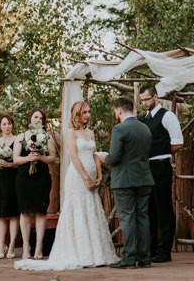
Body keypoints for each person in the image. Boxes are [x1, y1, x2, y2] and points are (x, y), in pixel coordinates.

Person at [15, 101, 118, 270]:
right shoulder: (71, 132)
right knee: (77, 210)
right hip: (77, 177)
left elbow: (94, 155)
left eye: (89, 112)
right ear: (77, 114)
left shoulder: (90, 132)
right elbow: (74, 157)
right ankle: (78, 253)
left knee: (91, 210)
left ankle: (96, 253)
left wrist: (98, 175)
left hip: (92, 174)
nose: (88, 115)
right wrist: (85, 177)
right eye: (85, 112)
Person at [98, 96, 154, 269]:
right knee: (142, 217)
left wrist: (103, 157)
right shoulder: (145, 128)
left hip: (124, 180)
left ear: (119, 110)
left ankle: (129, 257)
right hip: (144, 178)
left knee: (127, 218)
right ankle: (144, 257)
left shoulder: (119, 129)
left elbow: (114, 157)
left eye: (116, 112)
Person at [139, 84, 183, 263]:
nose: (145, 103)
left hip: (161, 165)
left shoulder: (168, 116)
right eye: (142, 101)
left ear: (156, 97)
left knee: (163, 207)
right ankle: (151, 249)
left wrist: (162, 152)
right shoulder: (142, 119)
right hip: (145, 167)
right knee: (149, 208)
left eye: (147, 99)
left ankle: (164, 250)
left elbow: (178, 142)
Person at [13, 108, 56, 260]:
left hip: (41, 177)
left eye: (41, 118)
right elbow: (15, 159)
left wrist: (40, 158)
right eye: (35, 117)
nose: (38, 120)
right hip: (24, 177)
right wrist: (28, 159)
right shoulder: (21, 136)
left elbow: (52, 158)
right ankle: (26, 247)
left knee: (40, 211)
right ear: (30, 118)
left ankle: (39, 247)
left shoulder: (47, 137)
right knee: (25, 211)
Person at [0, 115, 19, 259]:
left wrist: (9, 164)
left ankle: (12, 244)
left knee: (13, 214)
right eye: (4, 124)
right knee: (0, 214)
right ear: (0, 126)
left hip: (12, 178)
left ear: (12, 125)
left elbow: (19, 162)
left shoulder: (17, 140)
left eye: (9, 124)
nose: (7, 126)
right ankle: (2, 246)